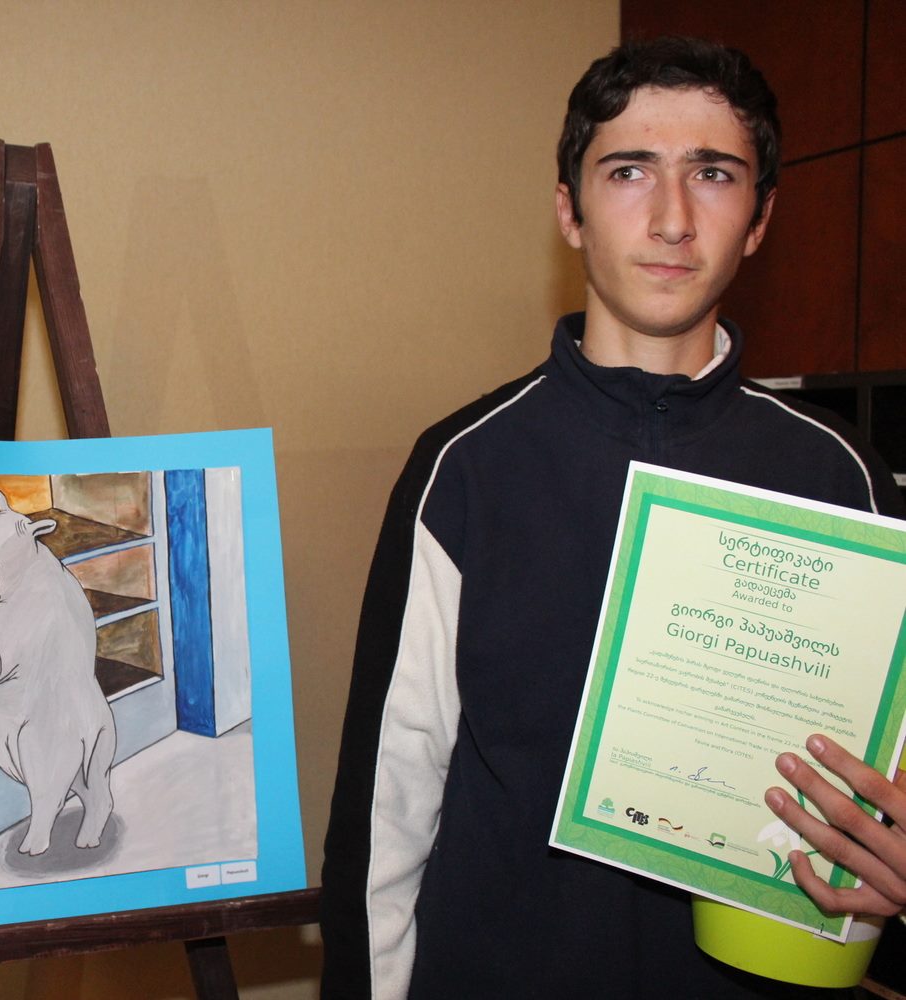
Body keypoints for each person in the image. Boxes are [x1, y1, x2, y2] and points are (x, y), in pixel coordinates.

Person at [319, 35, 906, 999]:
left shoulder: (841, 475)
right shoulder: (467, 467)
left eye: (713, 174)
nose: (672, 219)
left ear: (759, 219)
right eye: (629, 171)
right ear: (570, 210)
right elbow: (389, 800)